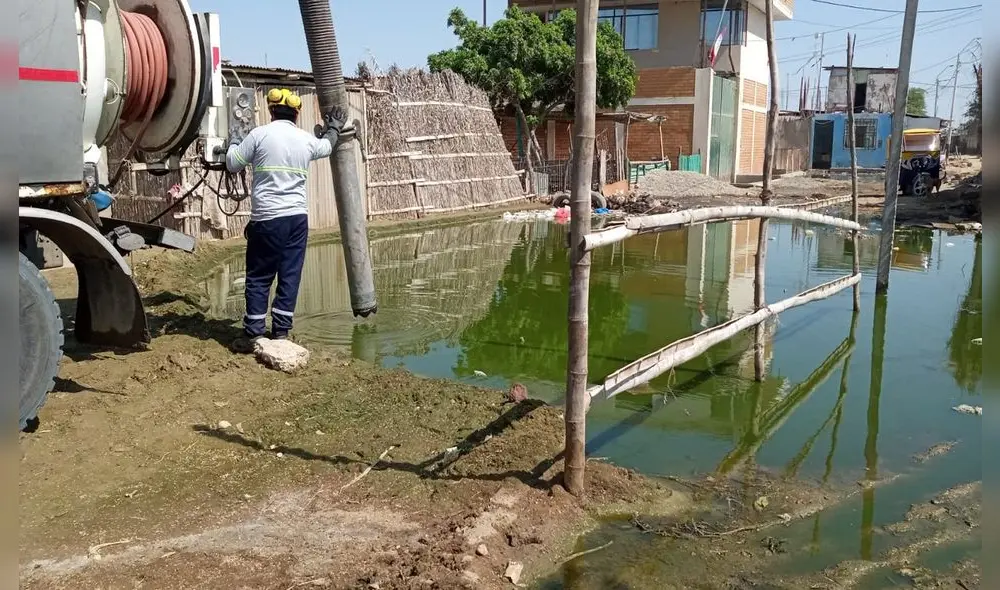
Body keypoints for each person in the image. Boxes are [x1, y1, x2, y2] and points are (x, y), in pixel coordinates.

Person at [225, 88, 336, 351]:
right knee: (290, 274)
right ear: (297, 113)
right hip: (297, 219)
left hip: (266, 219)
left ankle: (254, 332)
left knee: (260, 275)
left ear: (271, 111)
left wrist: (232, 141)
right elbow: (327, 147)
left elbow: (232, 163)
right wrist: (333, 129)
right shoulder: (304, 139)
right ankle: (281, 332)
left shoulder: (259, 135)